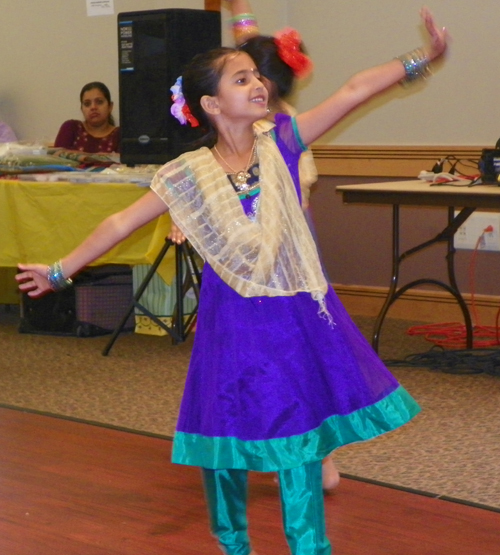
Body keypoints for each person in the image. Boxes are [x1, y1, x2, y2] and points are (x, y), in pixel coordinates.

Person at [17, 9, 448, 555]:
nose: (258, 84)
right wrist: (58, 270)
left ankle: (310, 546)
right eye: (241, 78)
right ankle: (232, 544)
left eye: (257, 76)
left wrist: (420, 60)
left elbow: (355, 90)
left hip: (293, 315)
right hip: (234, 320)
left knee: (298, 434)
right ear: (213, 106)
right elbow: (121, 221)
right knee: (226, 430)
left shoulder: (283, 142)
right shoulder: (189, 173)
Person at [54, 81, 120, 154]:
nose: (93, 107)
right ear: (82, 109)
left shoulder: (121, 134)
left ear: (110, 106)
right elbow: (56, 159)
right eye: (87, 104)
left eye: (99, 102)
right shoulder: (71, 128)